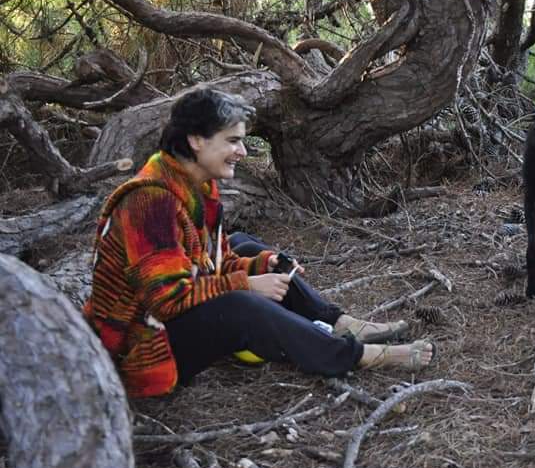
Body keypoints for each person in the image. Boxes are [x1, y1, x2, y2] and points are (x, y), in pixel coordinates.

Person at [83, 87, 434, 398]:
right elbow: (166, 299)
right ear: (196, 140)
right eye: (232, 141)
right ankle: (354, 355)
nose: (243, 152)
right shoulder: (150, 201)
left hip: (167, 323)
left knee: (246, 247)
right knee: (240, 305)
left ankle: (339, 322)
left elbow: (212, 264)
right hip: (138, 351)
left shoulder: (197, 187)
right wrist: (246, 283)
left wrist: (261, 265)